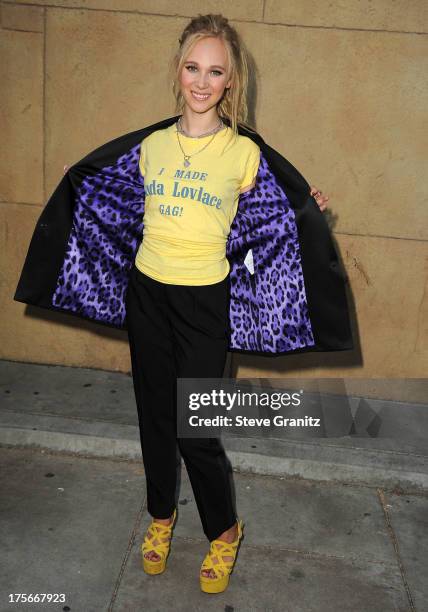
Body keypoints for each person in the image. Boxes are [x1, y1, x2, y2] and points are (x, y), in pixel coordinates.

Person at [61, 13, 330, 595]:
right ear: (178, 72)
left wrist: (309, 210)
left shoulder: (243, 153)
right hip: (147, 293)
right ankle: (161, 516)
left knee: (195, 426)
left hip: (205, 303)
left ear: (230, 81)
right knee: (155, 417)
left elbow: (279, 214)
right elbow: (113, 193)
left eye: (215, 71)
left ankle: (224, 531)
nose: (202, 82)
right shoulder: (152, 146)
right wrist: (79, 183)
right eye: (192, 68)